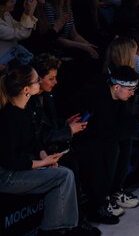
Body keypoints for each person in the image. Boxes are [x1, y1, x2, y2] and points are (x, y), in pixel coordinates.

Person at [0, 64, 85, 235]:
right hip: (7, 176)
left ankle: (61, 228)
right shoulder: (9, 118)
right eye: (36, 80)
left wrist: (45, 157)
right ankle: (54, 230)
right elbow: (8, 161)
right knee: (64, 175)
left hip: (22, 167)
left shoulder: (27, 109)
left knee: (63, 171)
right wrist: (41, 163)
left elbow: (35, 141)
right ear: (26, 89)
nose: (39, 82)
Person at [73, 65, 139, 225]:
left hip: (102, 134)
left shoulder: (120, 97)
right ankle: (98, 204)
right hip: (84, 138)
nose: (132, 93)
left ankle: (114, 192)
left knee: (125, 141)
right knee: (106, 148)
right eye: (130, 89)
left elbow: (120, 125)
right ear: (117, 87)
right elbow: (107, 133)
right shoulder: (98, 97)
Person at [0, 0, 36, 66]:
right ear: (2, 6)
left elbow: (19, 27)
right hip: (3, 61)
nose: (14, 3)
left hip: (12, 56)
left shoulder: (6, 14)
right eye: (11, 1)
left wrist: (26, 11)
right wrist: (30, 11)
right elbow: (20, 34)